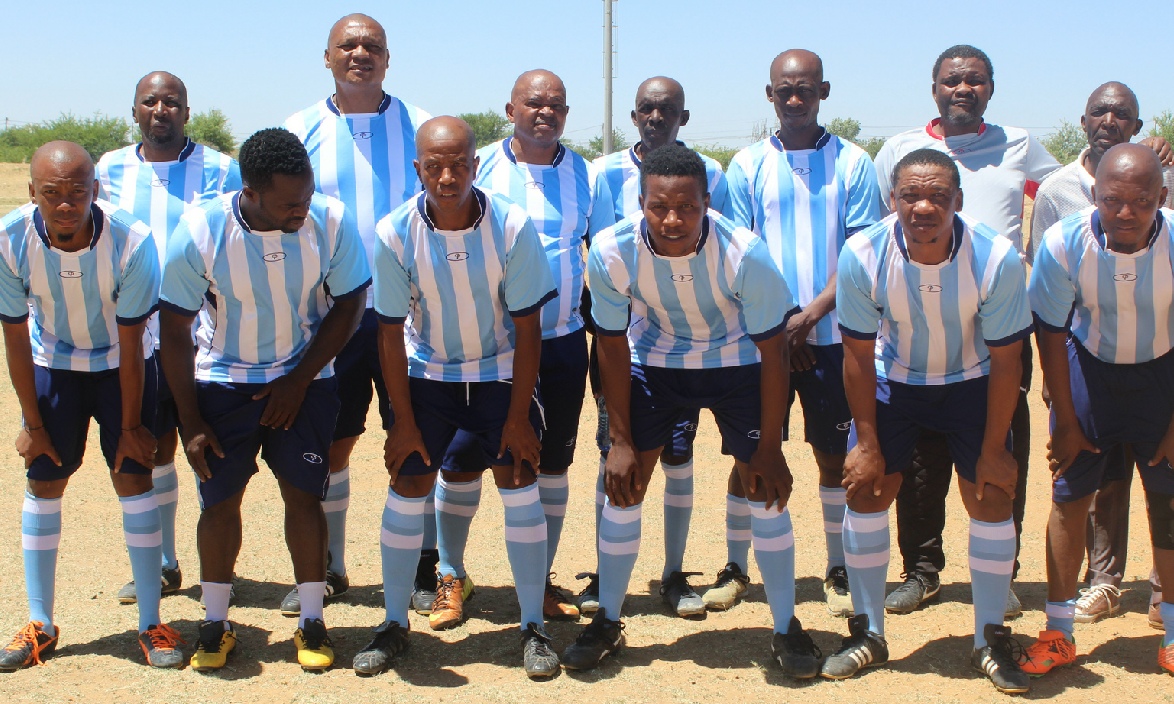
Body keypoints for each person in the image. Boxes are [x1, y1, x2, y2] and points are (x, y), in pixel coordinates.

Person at [564, 144, 818, 678]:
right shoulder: (610, 250)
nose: (673, 220)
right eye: (659, 207)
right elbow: (610, 344)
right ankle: (607, 619)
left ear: (707, 203)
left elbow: (774, 352)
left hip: (738, 363)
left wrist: (770, 447)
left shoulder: (745, 252)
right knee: (625, 485)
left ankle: (785, 626)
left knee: (765, 490)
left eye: (687, 207)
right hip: (656, 364)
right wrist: (620, 441)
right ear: (641, 203)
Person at [352, 116, 560, 679]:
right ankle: (394, 624)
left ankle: (532, 627)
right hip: (429, 376)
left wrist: (518, 417)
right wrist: (401, 420)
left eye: (458, 165)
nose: (447, 177)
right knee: (408, 484)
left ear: (475, 165)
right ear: (418, 168)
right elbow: (388, 332)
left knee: (519, 479)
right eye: (434, 167)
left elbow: (529, 329)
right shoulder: (395, 231)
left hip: (498, 374)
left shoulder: (512, 225)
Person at [158, 128, 369, 671]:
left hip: (306, 379)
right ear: (250, 192)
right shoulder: (200, 230)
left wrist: (298, 380)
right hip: (223, 383)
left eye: (307, 196)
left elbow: (350, 304)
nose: (303, 209)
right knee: (220, 502)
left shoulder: (331, 220)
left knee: (305, 496)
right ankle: (215, 623)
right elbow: (175, 330)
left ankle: (312, 620)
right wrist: (190, 421)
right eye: (289, 202)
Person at [829, 148, 1033, 693]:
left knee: (991, 493)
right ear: (892, 200)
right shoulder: (863, 253)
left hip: (973, 382)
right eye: (910, 196)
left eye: (938, 196)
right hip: (894, 383)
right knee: (867, 489)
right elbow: (856, 354)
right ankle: (868, 633)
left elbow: (1008, 360)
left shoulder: (995, 257)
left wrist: (995, 448)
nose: (923, 207)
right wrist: (866, 442)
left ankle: (989, 639)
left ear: (958, 201)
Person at [872, 45, 1060, 617]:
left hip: (999, 324)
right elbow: (883, 226)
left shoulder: (1020, 145)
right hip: (917, 323)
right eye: (952, 80)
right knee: (919, 459)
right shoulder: (901, 149)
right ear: (933, 89)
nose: (963, 89)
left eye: (975, 80)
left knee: (1000, 450)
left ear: (990, 89)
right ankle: (922, 570)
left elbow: (1071, 192)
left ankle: (1002, 575)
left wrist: (1142, 154)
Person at [430, 69, 612, 627]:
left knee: (551, 466)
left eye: (557, 105)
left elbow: (605, 254)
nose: (546, 112)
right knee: (461, 463)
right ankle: (449, 575)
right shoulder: (478, 166)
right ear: (510, 110)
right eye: (534, 103)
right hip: (488, 349)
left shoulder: (586, 174)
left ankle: (541, 578)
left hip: (559, 343)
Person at [0, 142, 183, 669]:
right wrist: (32, 422)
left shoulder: (132, 241)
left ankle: (151, 623)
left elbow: (132, 339)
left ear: (96, 191)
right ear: (31, 192)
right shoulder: (10, 239)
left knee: (133, 476)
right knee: (44, 481)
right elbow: (15, 336)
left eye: (77, 192)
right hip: (53, 362)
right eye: (51, 193)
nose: (65, 204)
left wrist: (130, 426)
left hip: (121, 362)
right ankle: (41, 624)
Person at [282, 12, 432, 616]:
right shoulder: (297, 132)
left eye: (372, 45)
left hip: (411, 317)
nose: (360, 54)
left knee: (417, 441)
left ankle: (424, 567)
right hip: (332, 315)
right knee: (332, 443)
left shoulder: (421, 126)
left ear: (388, 58)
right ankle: (329, 565)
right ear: (327, 57)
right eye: (347, 45)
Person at [726, 49, 881, 618]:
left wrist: (809, 316)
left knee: (831, 454)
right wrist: (780, 325)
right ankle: (736, 567)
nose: (795, 99)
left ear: (824, 92)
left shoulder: (855, 162)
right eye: (785, 90)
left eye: (806, 89)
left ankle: (837, 568)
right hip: (762, 339)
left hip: (834, 334)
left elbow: (861, 254)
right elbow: (737, 252)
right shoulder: (746, 165)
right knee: (749, 453)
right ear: (769, 94)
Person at [1021, 143, 1174, 675]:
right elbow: (1050, 331)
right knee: (1069, 496)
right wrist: (1065, 419)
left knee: (1169, 501)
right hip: (1090, 370)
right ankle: (1058, 632)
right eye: (1112, 200)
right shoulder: (1064, 242)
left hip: (1163, 373)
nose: (1125, 213)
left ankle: (1173, 633)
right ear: (1094, 195)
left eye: (1142, 201)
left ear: (1162, 196)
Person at [586, 75, 730, 617]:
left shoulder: (708, 171)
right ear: (633, 115)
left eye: (667, 109)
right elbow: (596, 244)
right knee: (615, 451)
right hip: (618, 338)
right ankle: (607, 576)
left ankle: (674, 572)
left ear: (682, 117)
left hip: (684, 339)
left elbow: (719, 245)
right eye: (646, 108)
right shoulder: (603, 173)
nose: (656, 116)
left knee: (678, 454)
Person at [97, 71, 241, 605]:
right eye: (150, 101)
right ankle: (162, 563)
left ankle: (217, 570)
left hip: (203, 337)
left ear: (187, 111)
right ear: (135, 110)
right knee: (155, 450)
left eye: (172, 102)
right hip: (136, 337)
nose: (161, 109)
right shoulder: (108, 169)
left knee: (209, 451)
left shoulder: (222, 169)